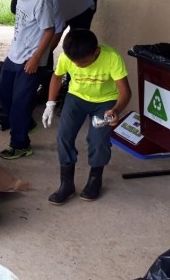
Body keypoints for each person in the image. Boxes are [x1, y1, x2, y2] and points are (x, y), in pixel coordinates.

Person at [42, 29, 131, 205]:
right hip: (76, 98)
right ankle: (66, 184)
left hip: (106, 101)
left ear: (96, 51)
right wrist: (50, 103)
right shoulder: (67, 57)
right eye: (74, 62)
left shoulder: (112, 57)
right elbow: (57, 77)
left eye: (83, 62)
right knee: (63, 136)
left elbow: (125, 92)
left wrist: (116, 110)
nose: (78, 65)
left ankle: (94, 180)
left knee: (98, 140)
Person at [0, 0, 55, 160]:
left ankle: (20, 144)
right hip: (14, 55)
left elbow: (49, 30)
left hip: (30, 60)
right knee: (2, 93)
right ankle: (26, 124)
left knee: (20, 104)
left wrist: (36, 59)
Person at [12, 0, 98, 100]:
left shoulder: (49, 2)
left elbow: (54, 35)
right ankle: (48, 86)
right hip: (66, 3)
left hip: (82, 7)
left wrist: (39, 56)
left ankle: (72, 91)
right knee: (43, 48)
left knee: (77, 48)